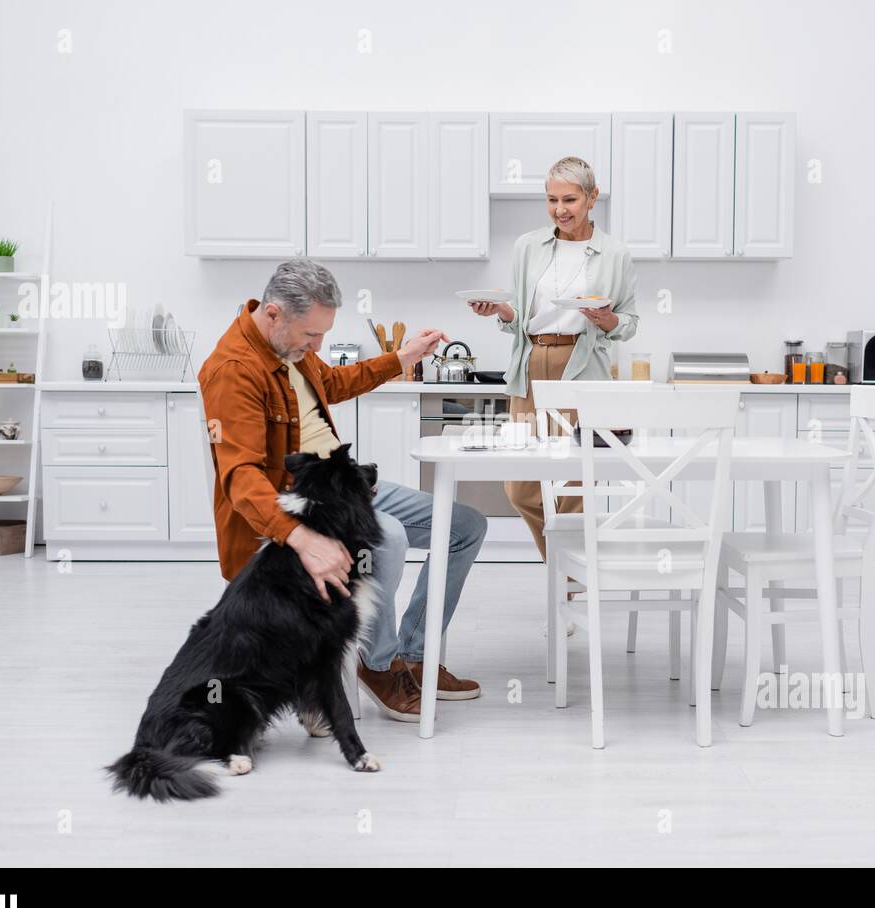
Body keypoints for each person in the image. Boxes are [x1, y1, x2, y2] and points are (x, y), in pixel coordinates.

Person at [200, 259, 488, 723]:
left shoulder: (289, 348)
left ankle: (413, 655)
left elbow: (332, 382)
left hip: (340, 485)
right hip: (297, 504)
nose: (318, 345)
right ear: (273, 313)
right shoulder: (233, 370)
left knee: (466, 525)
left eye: (322, 335)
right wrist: (300, 536)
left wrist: (402, 358)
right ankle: (376, 666)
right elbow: (241, 477)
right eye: (311, 336)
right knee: (388, 537)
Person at [468, 156, 640, 559]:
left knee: (577, 482)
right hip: (532, 363)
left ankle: (566, 587)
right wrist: (501, 312)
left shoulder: (615, 254)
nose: (560, 209)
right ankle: (564, 566)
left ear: (592, 197)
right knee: (521, 486)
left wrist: (607, 318)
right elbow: (520, 318)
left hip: (583, 367)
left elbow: (629, 323)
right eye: (551, 200)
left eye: (570, 199)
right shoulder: (528, 246)